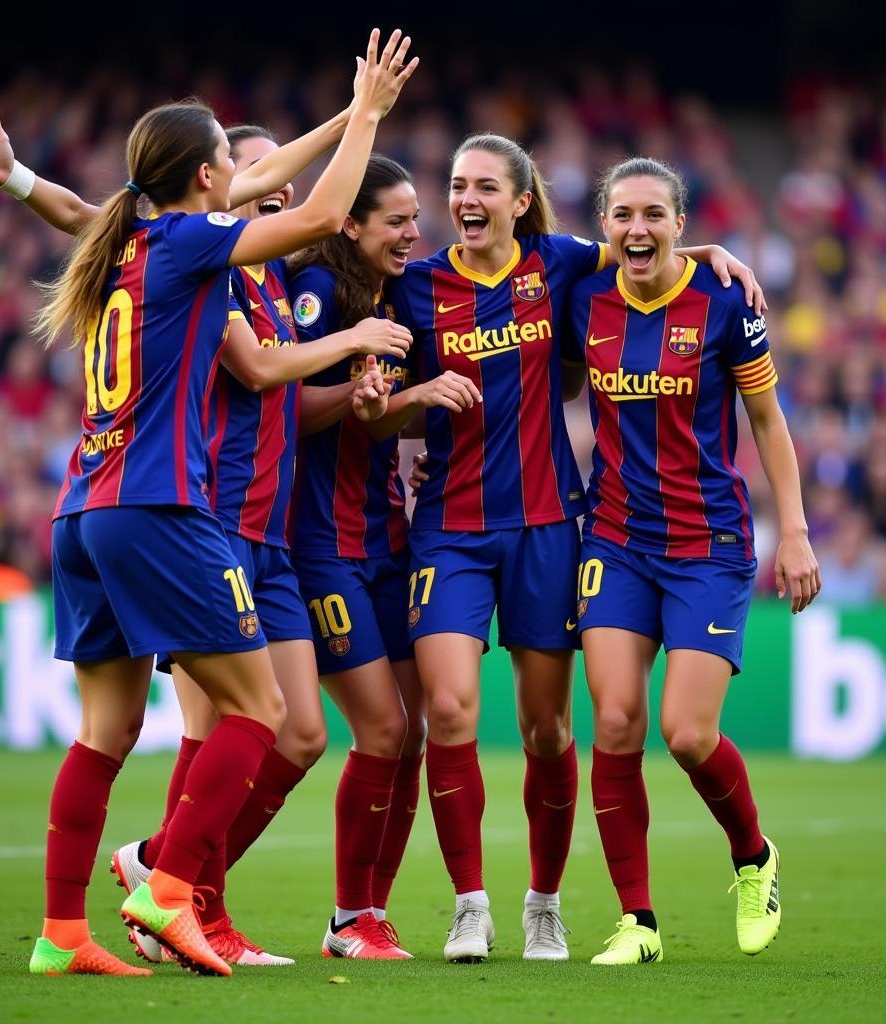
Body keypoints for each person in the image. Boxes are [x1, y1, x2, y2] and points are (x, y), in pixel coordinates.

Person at [0, 28, 417, 977]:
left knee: (106, 732)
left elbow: (96, 202)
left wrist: (20, 179)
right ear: (206, 178)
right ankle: (166, 889)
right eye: (233, 164)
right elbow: (320, 212)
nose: (246, 173)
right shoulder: (193, 246)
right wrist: (366, 116)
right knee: (258, 715)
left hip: (86, 507)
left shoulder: (123, 237)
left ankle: (63, 935)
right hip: (161, 509)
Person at [386, 133, 765, 963]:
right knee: (447, 709)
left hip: (551, 525)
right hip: (448, 527)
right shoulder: (413, 289)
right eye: (457, 185)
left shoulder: (559, 266)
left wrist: (708, 252)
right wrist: (411, 392)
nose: (468, 199)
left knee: (548, 729)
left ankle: (545, 906)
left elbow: (645, 248)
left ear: (522, 201)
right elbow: (378, 411)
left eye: (486, 185)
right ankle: (469, 905)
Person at [110, 131, 415, 966]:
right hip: (213, 525)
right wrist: (354, 347)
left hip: (271, 534)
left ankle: (168, 876)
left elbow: (289, 388)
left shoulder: (269, 281)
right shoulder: (206, 270)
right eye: (255, 168)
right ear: (218, 182)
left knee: (299, 733)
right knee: (216, 730)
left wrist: (350, 384)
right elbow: (258, 371)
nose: (276, 185)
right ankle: (184, 903)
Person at [564, 157, 820, 964]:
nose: (637, 229)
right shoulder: (582, 297)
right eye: (622, 215)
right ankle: (637, 923)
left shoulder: (724, 304)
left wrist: (799, 530)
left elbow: (769, 422)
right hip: (614, 538)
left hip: (707, 542)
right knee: (612, 723)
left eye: (654, 215)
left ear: (680, 223)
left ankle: (753, 856)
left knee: (685, 732)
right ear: (604, 225)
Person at [287, 154, 481, 958]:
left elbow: (380, 418)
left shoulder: (392, 296)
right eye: (396, 220)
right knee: (380, 728)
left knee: (413, 734)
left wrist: (411, 418)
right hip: (322, 546)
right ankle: (338, 913)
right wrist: (401, 399)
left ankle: (368, 914)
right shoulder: (320, 294)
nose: (413, 232)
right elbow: (287, 408)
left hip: (387, 534)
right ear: (351, 223)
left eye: (414, 218)